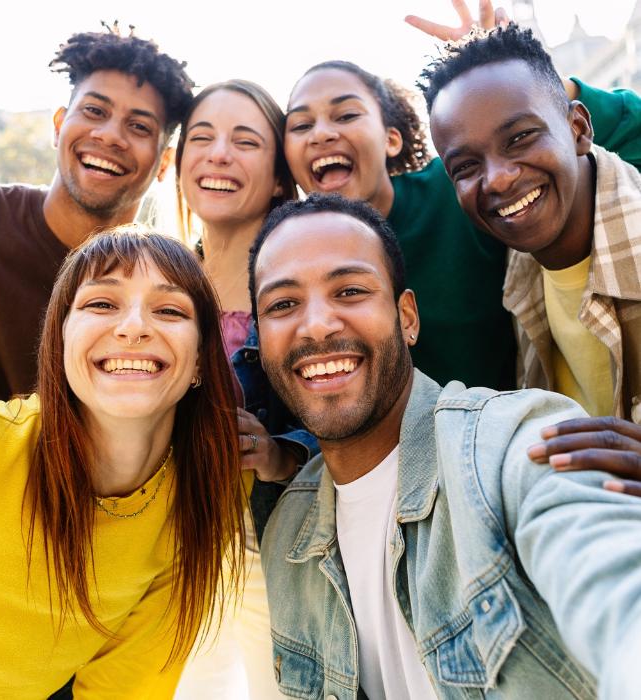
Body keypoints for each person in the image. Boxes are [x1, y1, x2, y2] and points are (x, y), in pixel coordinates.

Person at [249, 193, 641, 699]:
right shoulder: (285, 538)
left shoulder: (506, 442)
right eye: (283, 304)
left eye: (349, 291)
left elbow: (609, 573)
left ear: (407, 317)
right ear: (259, 340)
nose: (318, 323)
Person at [0, 227, 249, 698]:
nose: (133, 327)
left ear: (203, 361)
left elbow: (128, 681)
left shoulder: (210, 484)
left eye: (169, 310)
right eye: (102, 304)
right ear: (60, 340)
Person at [282, 2, 641, 390]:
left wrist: (508, 74)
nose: (321, 134)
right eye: (301, 124)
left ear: (391, 138)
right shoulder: (291, 254)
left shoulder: (457, 188)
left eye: (346, 115)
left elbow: (611, 136)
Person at [0, 28, 193, 403]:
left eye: (139, 126)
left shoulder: (174, 289)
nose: (110, 136)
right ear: (59, 125)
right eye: (94, 111)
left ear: (164, 163)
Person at [421, 23, 641, 425]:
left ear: (579, 128)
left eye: (520, 137)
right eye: (466, 166)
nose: (499, 179)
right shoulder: (516, 274)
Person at [172, 80, 314, 700]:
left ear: (280, 177)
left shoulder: (300, 288)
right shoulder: (154, 282)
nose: (217, 154)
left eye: (245, 141)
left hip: (270, 553)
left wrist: (283, 453)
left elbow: (360, 408)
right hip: (164, 556)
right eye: (200, 138)